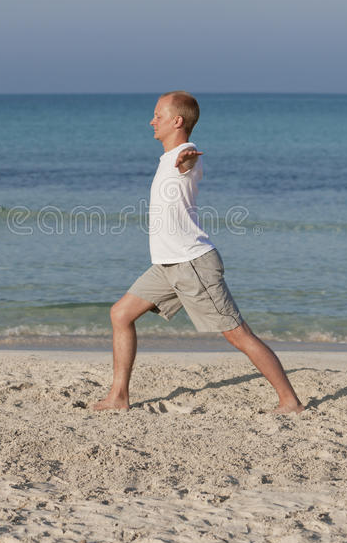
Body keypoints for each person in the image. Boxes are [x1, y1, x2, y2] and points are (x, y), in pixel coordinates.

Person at [92, 90, 304, 414]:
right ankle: (119, 396)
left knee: (238, 334)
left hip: (192, 264)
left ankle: (289, 401)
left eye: (158, 115)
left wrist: (188, 157)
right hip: (166, 265)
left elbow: (188, 159)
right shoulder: (166, 158)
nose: (152, 121)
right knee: (120, 314)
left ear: (177, 121)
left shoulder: (184, 155)